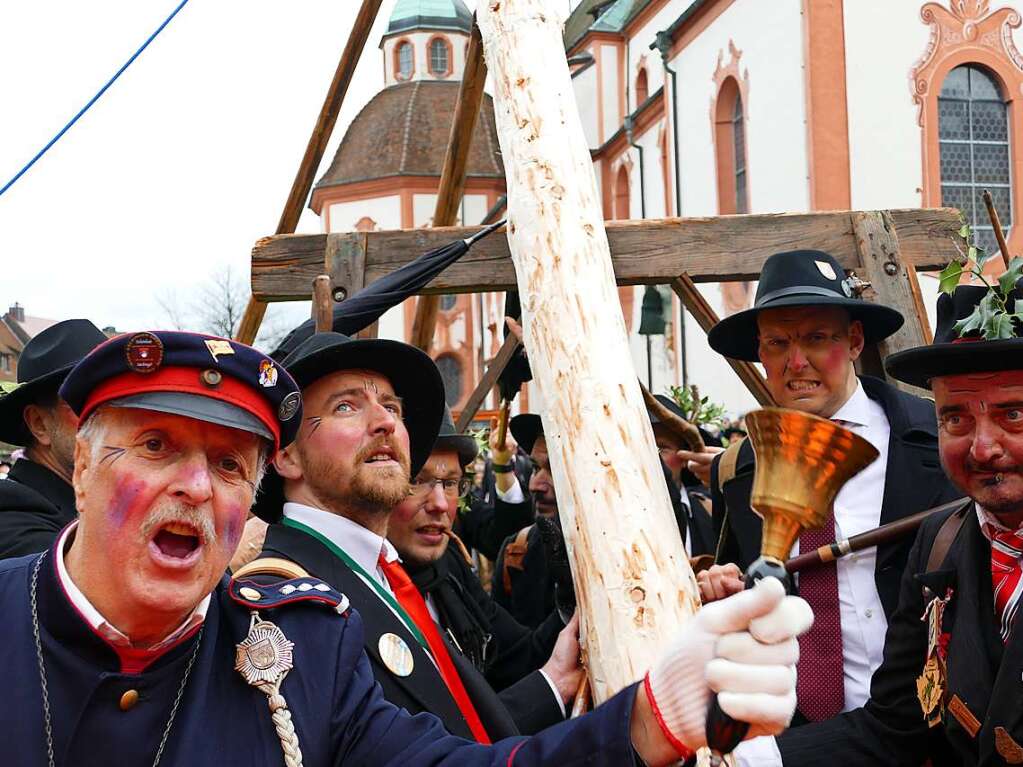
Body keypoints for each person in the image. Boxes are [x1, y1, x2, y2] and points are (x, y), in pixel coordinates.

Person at [0, 328, 813, 766]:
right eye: (154, 446)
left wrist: (651, 715)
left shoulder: (301, 649)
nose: (197, 486)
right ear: (78, 465)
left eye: (225, 463)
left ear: (254, 485)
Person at [698, 250, 960, 750]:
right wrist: (724, 587)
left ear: (855, 340)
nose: (797, 363)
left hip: (933, 736)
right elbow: (745, 590)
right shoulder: (737, 470)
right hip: (798, 744)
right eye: (778, 343)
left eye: (817, 338)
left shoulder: (936, 442)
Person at [768, 278, 1023, 765]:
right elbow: (896, 724)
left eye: (1012, 415)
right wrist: (741, 761)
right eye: (955, 418)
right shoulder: (940, 542)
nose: (981, 446)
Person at [388, 406, 578, 734]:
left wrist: (572, 603)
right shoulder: (359, 588)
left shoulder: (449, 570)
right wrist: (550, 689)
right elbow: (431, 744)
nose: (440, 504)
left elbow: (520, 656)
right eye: (416, 481)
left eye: (450, 484)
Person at [0, 319, 107, 558]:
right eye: (85, 404)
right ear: (39, 424)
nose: (112, 420)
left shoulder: (98, 498)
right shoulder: (13, 514)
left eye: (118, 402)